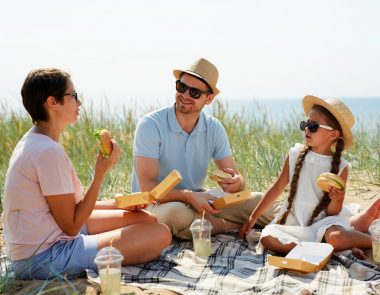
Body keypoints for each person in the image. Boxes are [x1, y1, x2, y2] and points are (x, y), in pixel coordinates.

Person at [3, 68, 172, 280]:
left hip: (48, 236)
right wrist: (99, 174)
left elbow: (71, 206)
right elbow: (72, 226)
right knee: (160, 234)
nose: (79, 102)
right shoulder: (47, 152)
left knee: (147, 219)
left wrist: (118, 204)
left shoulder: (36, 142)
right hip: (44, 257)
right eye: (73, 96)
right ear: (52, 102)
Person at [132, 58, 276, 239]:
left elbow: (237, 184)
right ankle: (230, 225)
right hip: (157, 204)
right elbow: (148, 189)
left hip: (199, 199)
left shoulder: (214, 128)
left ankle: (299, 227)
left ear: (209, 99)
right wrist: (189, 197)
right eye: (181, 87)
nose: (185, 95)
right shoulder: (150, 125)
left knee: (260, 201)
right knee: (178, 214)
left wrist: (236, 182)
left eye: (194, 92)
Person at [240, 95, 377, 256]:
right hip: (295, 223)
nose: (306, 129)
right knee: (267, 238)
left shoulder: (341, 167)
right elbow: (277, 187)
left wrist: (338, 199)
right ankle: (329, 249)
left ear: (333, 135)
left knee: (336, 237)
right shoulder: (295, 155)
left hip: (325, 222)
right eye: (305, 124)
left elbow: (333, 212)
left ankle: (372, 242)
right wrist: (254, 216)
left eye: (313, 126)